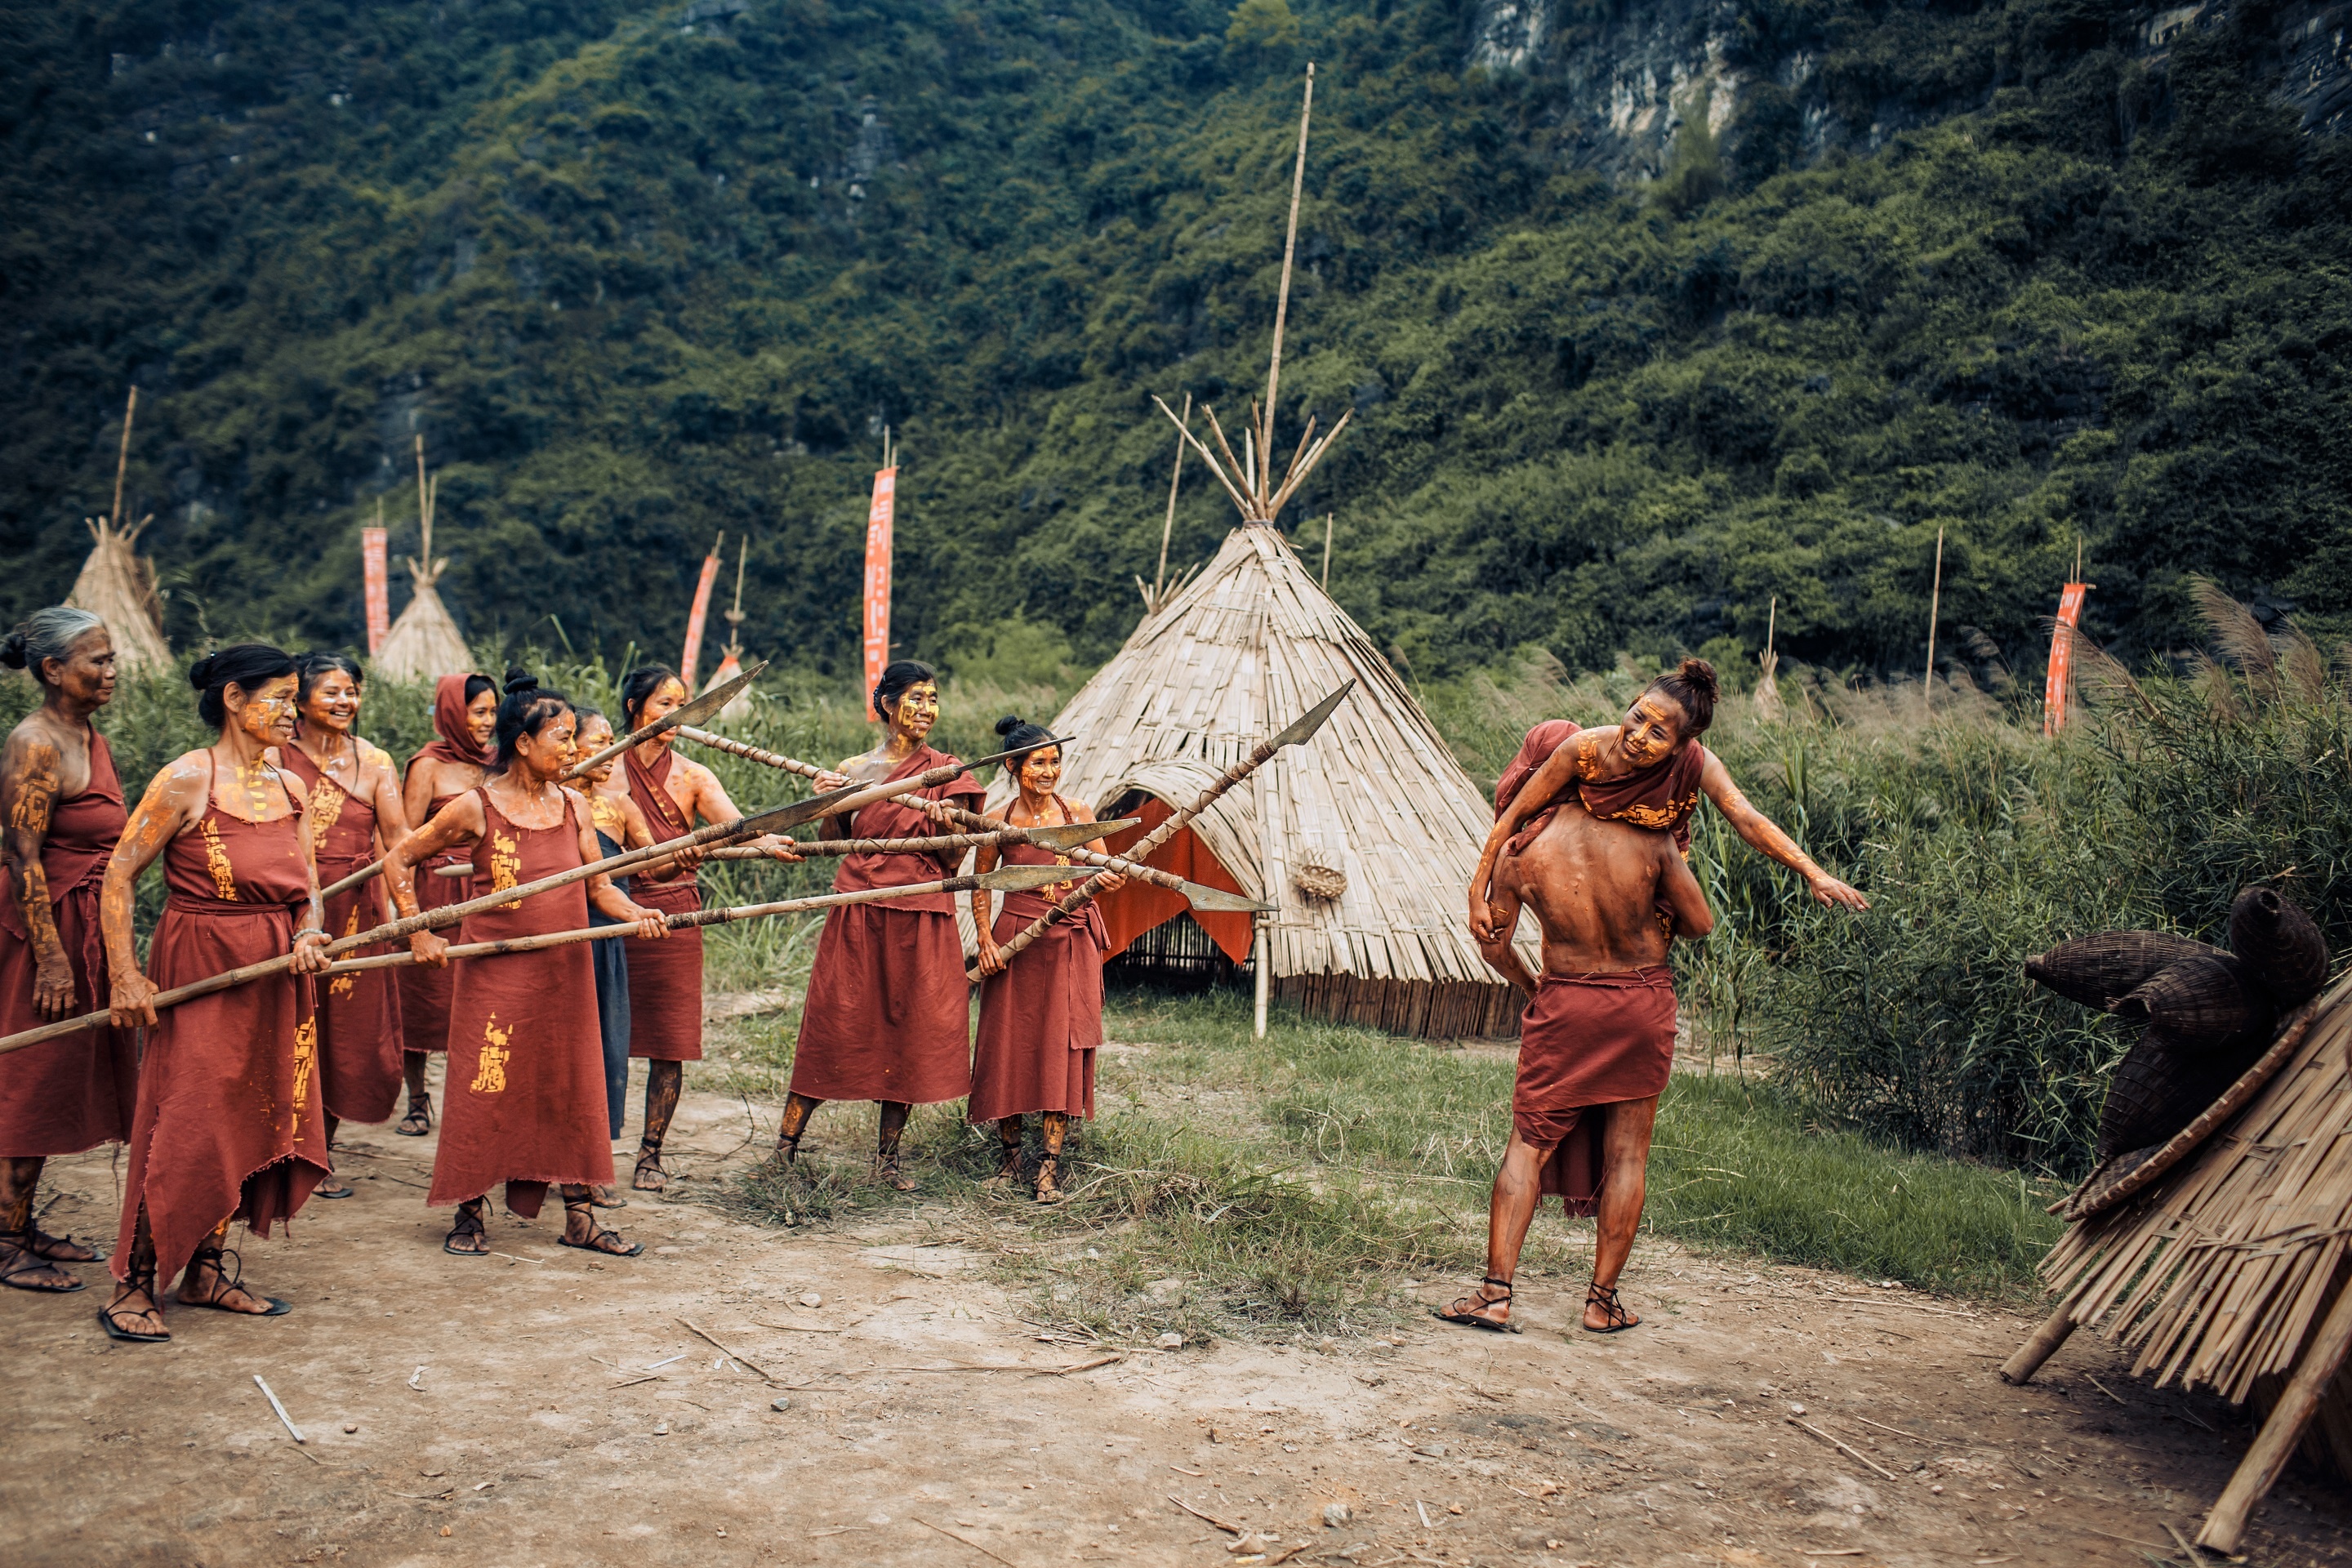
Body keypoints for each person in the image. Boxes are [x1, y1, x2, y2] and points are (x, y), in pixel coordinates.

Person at [382, 675, 679, 1258]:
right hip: (495, 974)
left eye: (574, 739)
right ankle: (469, 1210)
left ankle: (579, 1216)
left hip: (565, 971)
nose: (573, 752)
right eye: (562, 739)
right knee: (486, 1085)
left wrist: (637, 911)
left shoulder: (574, 805)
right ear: (523, 743)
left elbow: (600, 889)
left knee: (570, 1084)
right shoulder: (477, 805)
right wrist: (418, 929)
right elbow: (400, 859)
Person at [98, 644, 333, 1342]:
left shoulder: (291, 789)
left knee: (252, 1115)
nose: (293, 712)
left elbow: (310, 892)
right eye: (282, 697)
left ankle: (204, 1266)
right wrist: (125, 976)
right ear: (234, 699)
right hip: (200, 965)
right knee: (188, 1119)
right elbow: (119, 876)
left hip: (274, 975)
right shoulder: (185, 780)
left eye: (296, 698)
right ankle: (136, 1281)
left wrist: (308, 936)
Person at [1437, 773, 1714, 1336]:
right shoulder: (1649, 840)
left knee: (1528, 1148)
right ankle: (1602, 1303)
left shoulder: (1517, 853)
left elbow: (1494, 946)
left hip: (1566, 1001)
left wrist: (1535, 987)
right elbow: (1701, 923)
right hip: (1641, 1003)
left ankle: (1494, 1296)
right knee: (1629, 1156)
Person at [1466, 660, 1868, 952]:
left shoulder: (1699, 765)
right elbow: (1514, 814)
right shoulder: (1584, 749)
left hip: (1653, 864)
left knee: (1672, 938)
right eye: (1638, 716)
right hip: (1587, 857)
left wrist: (1813, 873)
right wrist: (1475, 896)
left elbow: (1747, 819)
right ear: (1635, 701)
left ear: (1681, 745)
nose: (1638, 736)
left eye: (1657, 732)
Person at [776, 660, 984, 1190]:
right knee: (833, 1020)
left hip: (919, 911)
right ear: (887, 703)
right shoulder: (854, 769)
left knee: (907, 1032)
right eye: (916, 697)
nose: (926, 709)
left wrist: (946, 830)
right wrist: (828, 798)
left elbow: (955, 858)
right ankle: (785, 1148)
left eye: (934, 698)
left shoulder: (948, 771)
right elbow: (833, 839)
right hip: (859, 910)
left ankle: (888, 1160)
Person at [614, 666, 793, 1192]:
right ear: (634, 707)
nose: (678, 717)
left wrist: (767, 843)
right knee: (598, 1031)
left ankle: (651, 1154)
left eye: (684, 706)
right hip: (610, 912)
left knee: (668, 1041)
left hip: (675, 917)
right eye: (664, 705)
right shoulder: (601, 770)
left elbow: (741, 828)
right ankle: (588, 1154)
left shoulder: (692, 776)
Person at [0, 609, 134, 1293]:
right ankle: (4, 1241)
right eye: (96, 662)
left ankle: (20, 1225)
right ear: (52, 669)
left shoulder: (87, 732)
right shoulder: (36, 742)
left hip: (78, 925)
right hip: (36, 932)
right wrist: (49, 958)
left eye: (112, 659)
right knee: (30, 1075)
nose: (110, 672)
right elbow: (21, 855)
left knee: (56, 1078)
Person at [969, 718, 1122, 1204]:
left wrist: (1111, 877)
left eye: (1055, 761)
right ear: (1013, 766)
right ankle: (1011, 1159)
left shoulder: (1077, 811)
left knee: (1061, 1048)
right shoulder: (999, 819)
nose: (1049, 770)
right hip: (1015, 941)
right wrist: (984, 941)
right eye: (1039, 762)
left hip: (1070, 943)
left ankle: (1048, 1170)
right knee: (1009, 1046)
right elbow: (982, 883)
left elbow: (1104, 866)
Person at [279, 653, 410, 1196]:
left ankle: (318, 1154)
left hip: (356, 913)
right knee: (290, 1027)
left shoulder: (375, 760)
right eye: (331, 692)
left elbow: (399, 843)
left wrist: (412, 915)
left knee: (345, 1034)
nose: (345, 701)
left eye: (351, 690)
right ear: (300, 700)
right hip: (290, 908)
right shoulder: (273, 756)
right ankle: (277, 1149)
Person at [570, 704, 690, 1203]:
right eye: (595, 743)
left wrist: (684, 855)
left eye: (611, 741)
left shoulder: (619, 804)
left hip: (604, 945)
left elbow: (652, 868)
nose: (610, 752)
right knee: (561, 1057)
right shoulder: (544, 805)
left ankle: (588, 1168)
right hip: (552, 943)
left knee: (604, 1056)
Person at [393, 672, 497, 1135]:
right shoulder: (427, 765)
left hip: (484, 892)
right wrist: (408, 915)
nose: (488, 722)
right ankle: (417, 1100)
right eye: (479, 712)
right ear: (455, 712)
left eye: (494, 712)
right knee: (421, 998)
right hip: (434, 893)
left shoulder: (500, 761)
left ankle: (471, 1099)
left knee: (478, 1000)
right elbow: (403, 841)